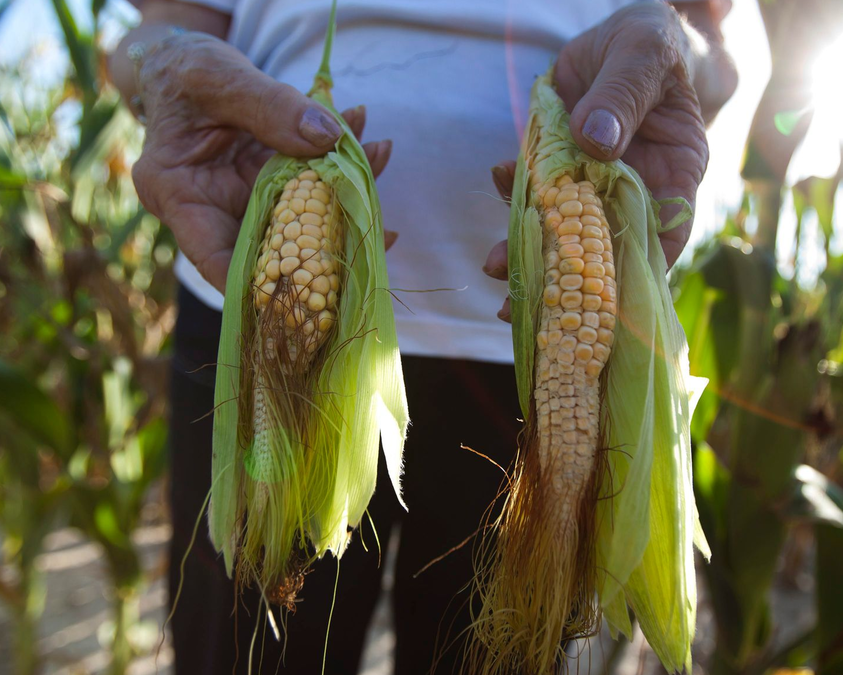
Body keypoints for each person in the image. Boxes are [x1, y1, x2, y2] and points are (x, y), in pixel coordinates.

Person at [107, 1, 736, 673]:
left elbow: (708, 49)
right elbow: (151, 35)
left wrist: (676, 49)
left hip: (524, 356)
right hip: (253, 296)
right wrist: (161, 60)